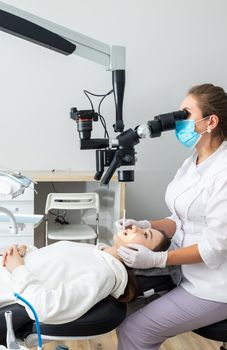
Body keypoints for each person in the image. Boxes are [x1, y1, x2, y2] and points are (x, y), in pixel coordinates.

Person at [116, 83, 227, 350]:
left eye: (185, 114)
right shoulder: (192, 163)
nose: (178, 122)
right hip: (185, 274)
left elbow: (215, 246)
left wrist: (158, 258)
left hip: (215, 286)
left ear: (210, 122)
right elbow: (179, 220)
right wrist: (145, 224)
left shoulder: (224, 173)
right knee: (122, 308)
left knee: (135, 330)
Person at [0, 225, 170, 344]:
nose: (135, 227)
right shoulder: (95, 252)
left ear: (144, 257)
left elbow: (46, 307)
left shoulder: (104, 274)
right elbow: (52, 271)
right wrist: (26, 251)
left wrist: (17, 268)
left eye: (145, 234)